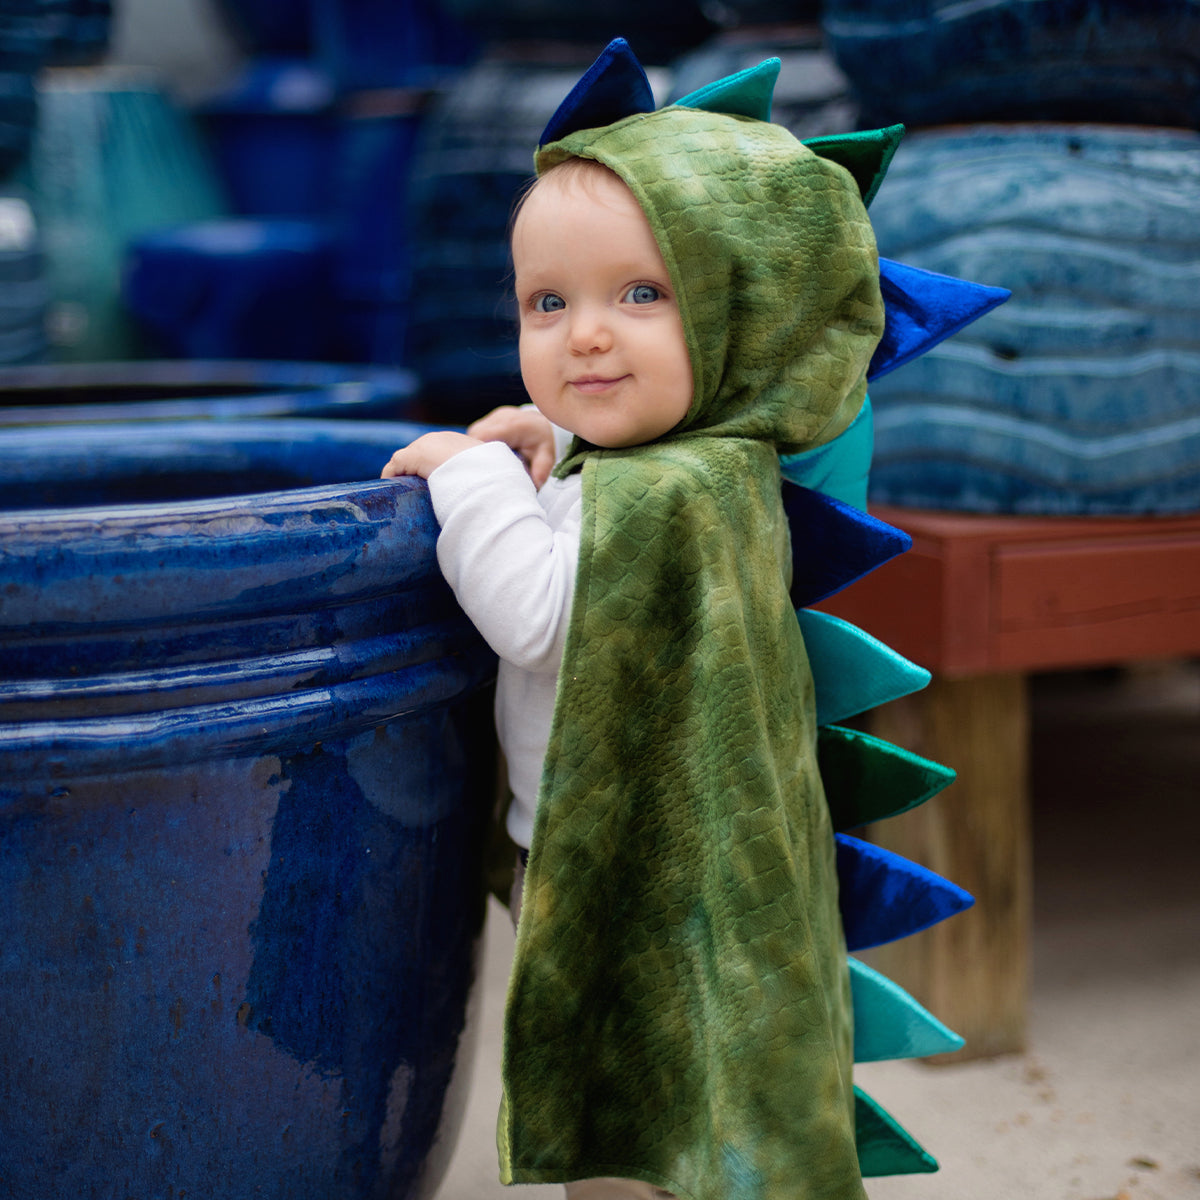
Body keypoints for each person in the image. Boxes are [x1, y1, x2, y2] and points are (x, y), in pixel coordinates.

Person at [383, 52, 885, 1200]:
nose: (587, 337)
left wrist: (473, 479)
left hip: (653, 887)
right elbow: (612, 561)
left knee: (636, 1118)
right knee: (652, 1103)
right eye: (548, 304)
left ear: (743, 311)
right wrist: (553, 451)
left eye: (641, 295)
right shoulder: (692, 469)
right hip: (628, 858)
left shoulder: (671, 492)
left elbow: (537, 612)